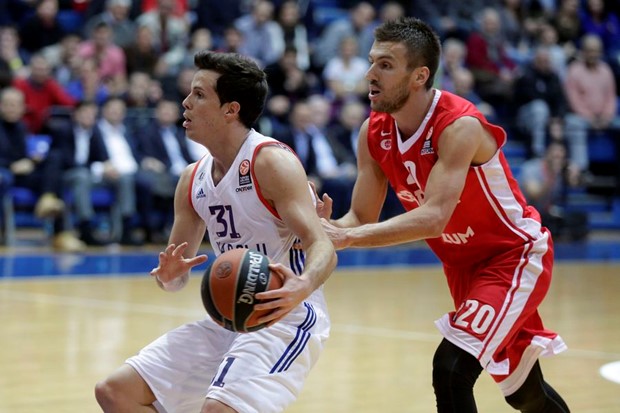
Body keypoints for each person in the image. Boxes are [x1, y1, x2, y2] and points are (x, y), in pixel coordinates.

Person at [315, 17, 570, 413]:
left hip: (513, 256)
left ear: (419, 75)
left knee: (451, 368)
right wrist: (324, 228)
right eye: (371, 62)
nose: (369, 74)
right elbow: (360, 217)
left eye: (385, 65)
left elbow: (433, 218)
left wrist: (347, 237)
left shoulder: (458, 126)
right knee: (524, 392)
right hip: (462, 267)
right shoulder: (372, 132)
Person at [94, 50, 337, 413]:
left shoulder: (271, 162)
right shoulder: (192, 179)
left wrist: (301, 286)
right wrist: (170, 276)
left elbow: (323, 246)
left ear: (231, 110)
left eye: (199, 94)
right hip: (230, 317)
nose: (185, 102)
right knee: (115, 392)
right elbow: (174, 280)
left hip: (284, 315)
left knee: (218, 410)